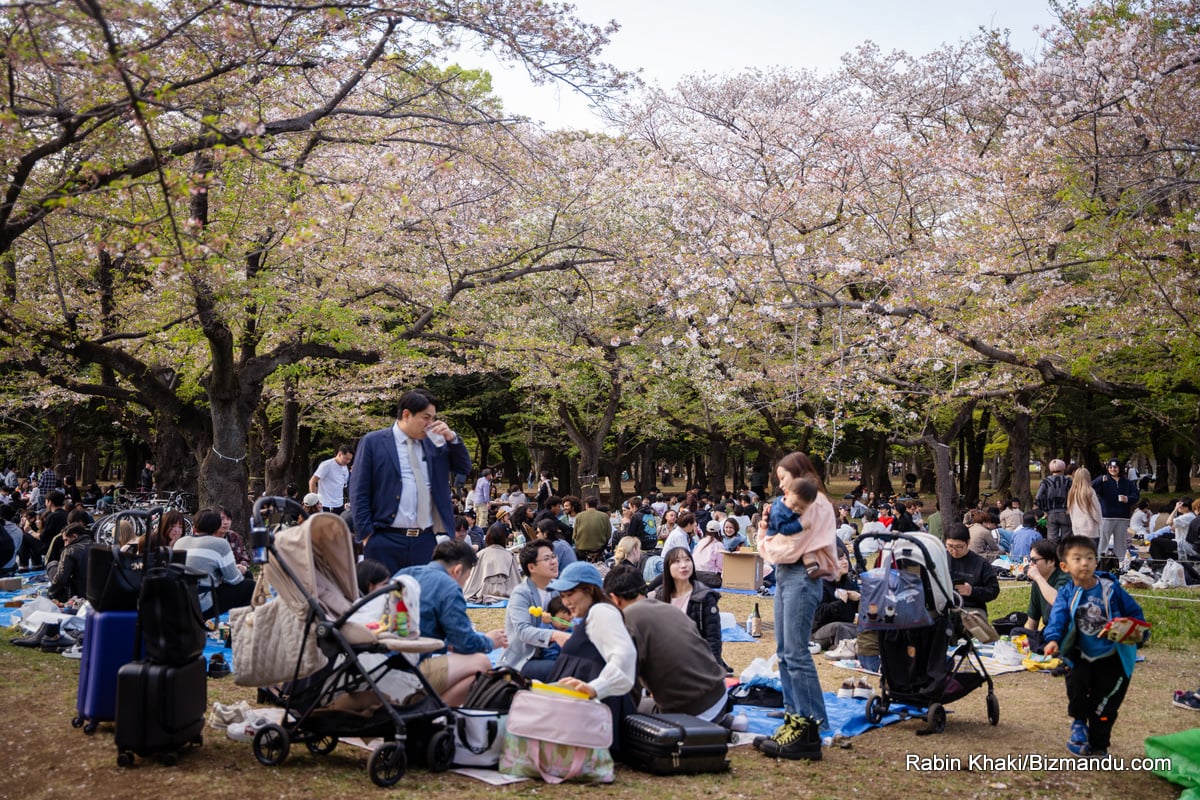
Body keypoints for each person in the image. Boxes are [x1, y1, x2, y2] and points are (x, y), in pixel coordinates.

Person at [752, 451, 833, 761]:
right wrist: (765, 536)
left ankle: (812, 720)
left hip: (802, 575)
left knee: (796, 653)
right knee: (785, 651)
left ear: (799, 475)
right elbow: (775, 548)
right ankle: (794, 715)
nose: (781, 486)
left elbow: (784, 550)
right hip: (788, 575)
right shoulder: (797, 504)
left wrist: (764, 541)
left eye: (784, 479)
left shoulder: (815, 504)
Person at [1043, 535, 1146, 757]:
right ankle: (1079, 723)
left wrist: (1131, 630)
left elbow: (1136, 615)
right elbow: (1058, 618)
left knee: (1105, 706)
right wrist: (1052, 639)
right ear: (1064, 566)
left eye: (1090, 558)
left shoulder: (1112, 589)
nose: (1084, 563)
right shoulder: (1067, 593)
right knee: (1077, 691)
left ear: (1096, 562)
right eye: (1077, 558)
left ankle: (1098, 745)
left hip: (1113, 657)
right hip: (1080, 654)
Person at [349, 389, 471, 574]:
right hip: (385, 537)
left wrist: (451, 438)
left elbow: (463, 467)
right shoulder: (374, 442)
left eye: (433, 418)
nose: (431, 424)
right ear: (406, 414)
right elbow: (359, 490)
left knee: (422, 598)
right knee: (384, 598)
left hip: (425, 538)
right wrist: (367, 535)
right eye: (426, 417)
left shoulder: (433, 444)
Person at [603, 564, 730, 721]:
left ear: (614, 599)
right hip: (720, 695)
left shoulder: (627, 620)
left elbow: (628, 684)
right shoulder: (669, 608)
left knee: (628, 710)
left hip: (692, 710)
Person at [398, 539, 508, 706]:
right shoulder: (448, 586)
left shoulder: (403, 574)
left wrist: (447, 644)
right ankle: (429, 712)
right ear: (457, 570)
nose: (464, 584)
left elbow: (410, 629)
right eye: (466, 578)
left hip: (381, 667)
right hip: (410, 671)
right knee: (482, 662)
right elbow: (464, 643)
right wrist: (490, 641)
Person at [545, 561, 637, 754]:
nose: (566, 602)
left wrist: (596, 688)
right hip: (584, 720)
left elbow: (625, 654)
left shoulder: (601, 612)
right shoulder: (592, 614)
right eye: (562, 596)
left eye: (570, 594)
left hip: (593, 721)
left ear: (590, 590)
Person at [498, 539, 572, 680]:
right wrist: (555, 635)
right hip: (525, 658)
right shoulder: (521, 593)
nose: (553, 562)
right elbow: (523, 631)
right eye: (546, 559)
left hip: (553, 652)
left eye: (553, 556)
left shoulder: (557, 588)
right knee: (566, 669)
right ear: (531, 567)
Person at [655, 546, 728, 671]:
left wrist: (713, 668)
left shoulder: (705, 596)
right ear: (667, 567)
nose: (684, 565)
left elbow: (713, 638)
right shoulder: (661, 595)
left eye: (687, 560)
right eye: (677, 561)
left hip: (696, 661)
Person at [174, 508, 254, 618]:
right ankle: (237, 628)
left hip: (180, 600)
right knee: (250, 584)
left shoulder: (180, 541)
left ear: (195, 525)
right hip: (203, 604)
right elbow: (235, 580)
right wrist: (241, 570)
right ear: (216, 527)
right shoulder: (220, 544)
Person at [1016, 538, 1071, 652]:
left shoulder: (1065, 578)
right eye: (1030, 560)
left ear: (1051, 561)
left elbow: (1057, 601)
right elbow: (1032, 622)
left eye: (1034, 560)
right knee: (1016, 633)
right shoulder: (1037, 583)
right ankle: (1037, 648)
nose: (1031, 564)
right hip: (1047, 633)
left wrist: (1038, 578)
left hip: (1065, 632)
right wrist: (1027, 638)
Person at [944, 523, 1000, 613]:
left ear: (968, 542)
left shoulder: (981, 564)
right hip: (944, 606)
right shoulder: (941, 559)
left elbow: (993, 590)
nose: (954, 551)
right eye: (950, 546)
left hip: (971, 608)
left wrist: (972, 591)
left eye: (959, 547)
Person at [460, 523, 522, 602]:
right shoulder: (510, 555)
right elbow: (515, 580)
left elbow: (474, 579)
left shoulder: (480, 554)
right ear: (504, 538)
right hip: (504, 590)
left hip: (481, 590)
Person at [1092, 459, 1140, 556]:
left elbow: (1136, 495)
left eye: (1115, 467)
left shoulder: (1127, 482)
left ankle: (1120, 565)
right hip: (1106, 516)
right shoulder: (1103, 479)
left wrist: (1127, 499)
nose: (1113, 469)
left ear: (1119, 468)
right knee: (1103, 543)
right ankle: (1102, 564)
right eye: (1110, 467)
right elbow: (1090, 489)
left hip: (1122, 517)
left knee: (1121, 544)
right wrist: (1099, 480)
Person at [1036, 459, 1073, 543]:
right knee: (1066, 539)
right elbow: (1074, 495)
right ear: (1063, 468)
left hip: (1051, 513)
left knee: (1052, 539)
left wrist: (1044, 510)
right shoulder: (1068, 480)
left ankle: (1053, 554)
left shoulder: (1045, 481)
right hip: (1065, 512)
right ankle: (1064, 554)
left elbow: (1038, 497)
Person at [309, 445, 353, 515]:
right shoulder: (326, 465)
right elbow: (312, 481)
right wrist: (314, 501)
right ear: (340, 454)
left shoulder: (345, 468)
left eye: (350, 459)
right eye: (346, 458)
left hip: (339, 505)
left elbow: (344, 485)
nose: (348, 461)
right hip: (326, 505)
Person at [1067, 467, 1102, 542]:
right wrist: (1100, 523)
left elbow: (1070, 511)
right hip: (1090, 529)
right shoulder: (1090, 492)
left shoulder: (1072, 493)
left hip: (1076, 528)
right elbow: (1096, 512)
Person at [691, 520, 725, 588]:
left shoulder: (700, 542)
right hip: (710, 577)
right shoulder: (718, 545)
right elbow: (721, 565)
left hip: (696, 575)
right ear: (719, 532)